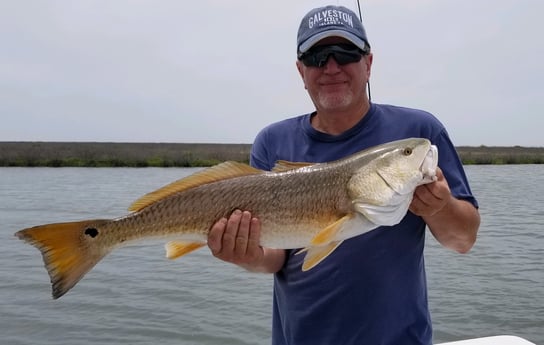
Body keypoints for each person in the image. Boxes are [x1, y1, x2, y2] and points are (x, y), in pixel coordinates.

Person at [207, 5, 480, 345]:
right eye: (317, 56)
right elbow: (276, 256)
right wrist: (248, 257)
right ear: (300, 70)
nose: (332, 67)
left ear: (368, 63)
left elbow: (463, 239)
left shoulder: (419, 130)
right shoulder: (272, 142)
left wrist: (439, 207)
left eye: (346, 52)